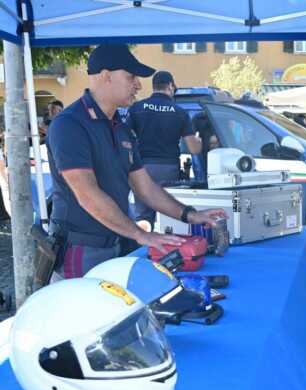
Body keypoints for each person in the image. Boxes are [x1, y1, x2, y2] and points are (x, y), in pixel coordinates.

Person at [46, 44, 225, 279]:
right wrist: (141, 235)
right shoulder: (70, 125)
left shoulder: (121, 128)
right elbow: (87, 194)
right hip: (81, 251)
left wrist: (191, 215)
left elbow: (146, 188)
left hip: (119, 243)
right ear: (106, 76)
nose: (139, 85)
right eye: (131, 76)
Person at [126, 71, 202, 231]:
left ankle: (143, 244)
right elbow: (194, 149)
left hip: (142, 169)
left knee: (143, 218)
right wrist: (199, 142)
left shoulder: (137, 108)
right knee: (167, 216)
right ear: (170, 86)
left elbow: (124, 139)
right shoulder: (180, 112)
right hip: (168, 170)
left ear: (154, 87)